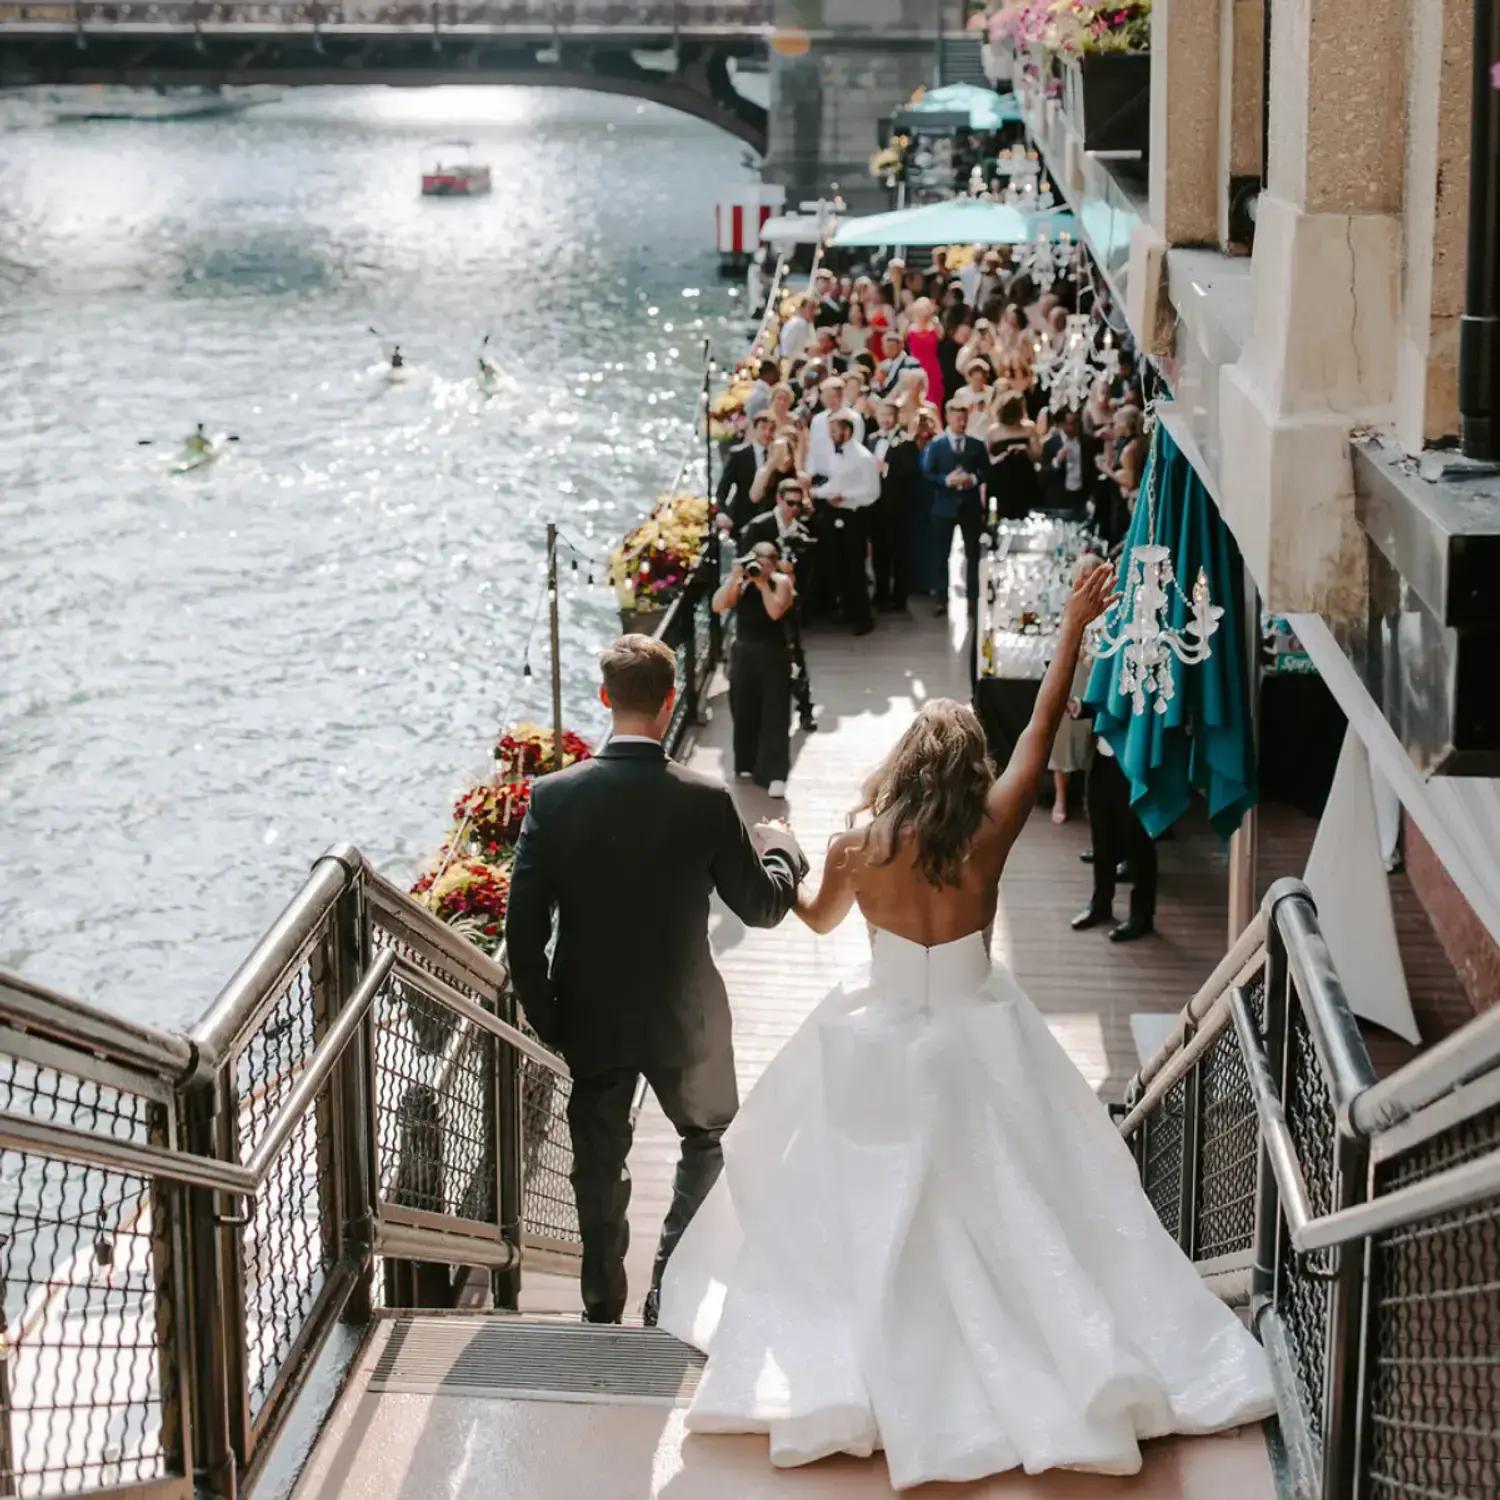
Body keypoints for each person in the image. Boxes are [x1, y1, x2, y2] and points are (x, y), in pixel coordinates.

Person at [658, 564, 1277, 1487]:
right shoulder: (992, 826)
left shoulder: (859, 848)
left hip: (877, 1043)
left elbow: (818, 921)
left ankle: (873, 1363)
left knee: (861, 1213)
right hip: (979, 1033)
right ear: (969, 770)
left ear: (904, 765)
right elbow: (1040, 725)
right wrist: (1071, 626)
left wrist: (781, 846)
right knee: (1025, 1201)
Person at [505, 635, 807, 1328]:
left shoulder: (553, 799)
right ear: (670, 700)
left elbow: (524, 937)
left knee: (597, 1167)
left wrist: (554, 1020)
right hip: (687, 1018)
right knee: (707, 1141)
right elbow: (762, 909)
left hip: (591, 1017)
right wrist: (781, 848)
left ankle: (600, 1305)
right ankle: (669, 1287)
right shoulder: (704, 799)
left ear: (605, 698)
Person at [713, 539, 797, 797]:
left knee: (775, 711)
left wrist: (762, 585)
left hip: (773, 652)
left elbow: (775, 612)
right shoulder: (743, 582)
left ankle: (775, 773)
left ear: (773, 566)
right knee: (743, 707)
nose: (760, 570)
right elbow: (718, 605)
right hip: (744, 652)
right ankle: (747, 762)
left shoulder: (781, 582)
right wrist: (735, 578)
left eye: (765, 566)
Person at [1072, 708, 1159, 943]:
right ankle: (1101, 904)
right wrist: (1081, 706)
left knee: (1138, 837)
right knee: (1101, 833)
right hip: (1102, 755)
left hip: (1134, 756)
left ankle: (1142, 916)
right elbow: (1106, 696)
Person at [743, 480, 819, 732]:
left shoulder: (804, 532)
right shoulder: (759, 527)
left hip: (789, 603)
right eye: (790, 503)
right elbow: (744, 564)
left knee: (796, 654)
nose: (795, 509)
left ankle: (805, 708)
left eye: (799, 504)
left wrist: (794, 573)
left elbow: (812, 571)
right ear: (779, 499)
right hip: (759, 603)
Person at [809, 413, 879, 636]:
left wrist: (845, 496)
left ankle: (863, 617)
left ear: (846, 432)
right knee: (838, 565)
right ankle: (846, 610)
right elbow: (834, 483)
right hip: (834, 513)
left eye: (834, 431)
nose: (830, 436)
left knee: (855, 568)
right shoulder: (836, 456)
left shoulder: (864, 458)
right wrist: (815, 493)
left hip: (854, 517)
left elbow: (872, 492)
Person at [920, 400, 988, 617]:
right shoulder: (937, 445)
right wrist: (946, 480)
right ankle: (941, 598)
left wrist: (973, 479)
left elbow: (987, 470)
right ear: (948, 418)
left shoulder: (976, 444)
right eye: (957, 418)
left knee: (972, 554)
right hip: (944, 506)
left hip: (969, 506)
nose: (961, 422)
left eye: (964, 418)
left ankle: (972, 599)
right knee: (941, 554)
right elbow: (928, 473)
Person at [866, 399, 914, 612]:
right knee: (879, 552)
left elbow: (911, 472)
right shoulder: (871, 439)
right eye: (881, 415)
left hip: (897, 507)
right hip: (875, 505)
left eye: (889, 415)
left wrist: (885, 468)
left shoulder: (906, 442)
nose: (884, 419)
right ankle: (881, 593)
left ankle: (900, 596)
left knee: (899, 553)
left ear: (896, 417)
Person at [984, 390, 1041, 521]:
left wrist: (1025, 449)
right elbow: (985, 459)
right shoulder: (993, 431)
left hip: (1024, 479)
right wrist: (1000, 457)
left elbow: (1038, 455)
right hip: (1002, 479)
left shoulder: (1029, 428)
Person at [716, 411, 774, 533]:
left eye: (771, 429)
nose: (767, 433)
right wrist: (721, 512)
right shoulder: (738, 454)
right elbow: (723, 489)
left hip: (769, 517)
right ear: (754, 429)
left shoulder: (777, 455)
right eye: (763, 428)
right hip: (742, 516)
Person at [806, 376, 865, 479]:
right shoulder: (817, 420)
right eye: (828, 396)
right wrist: (809, 473)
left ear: (842, 396)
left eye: (836, 396)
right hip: (818, 475)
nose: (832, 400)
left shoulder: (853, 418)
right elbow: (813, 448)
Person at [1041, 406, 1091, 517]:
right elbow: (1043, 476)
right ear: (1061, 425)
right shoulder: (1050, 444)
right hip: (1059, 500)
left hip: (1081, 498)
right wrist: (1057, 461)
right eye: (1071, 424)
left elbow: (1091, 470)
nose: (1075, 427)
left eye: (1077, 422)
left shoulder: (1087, 442)